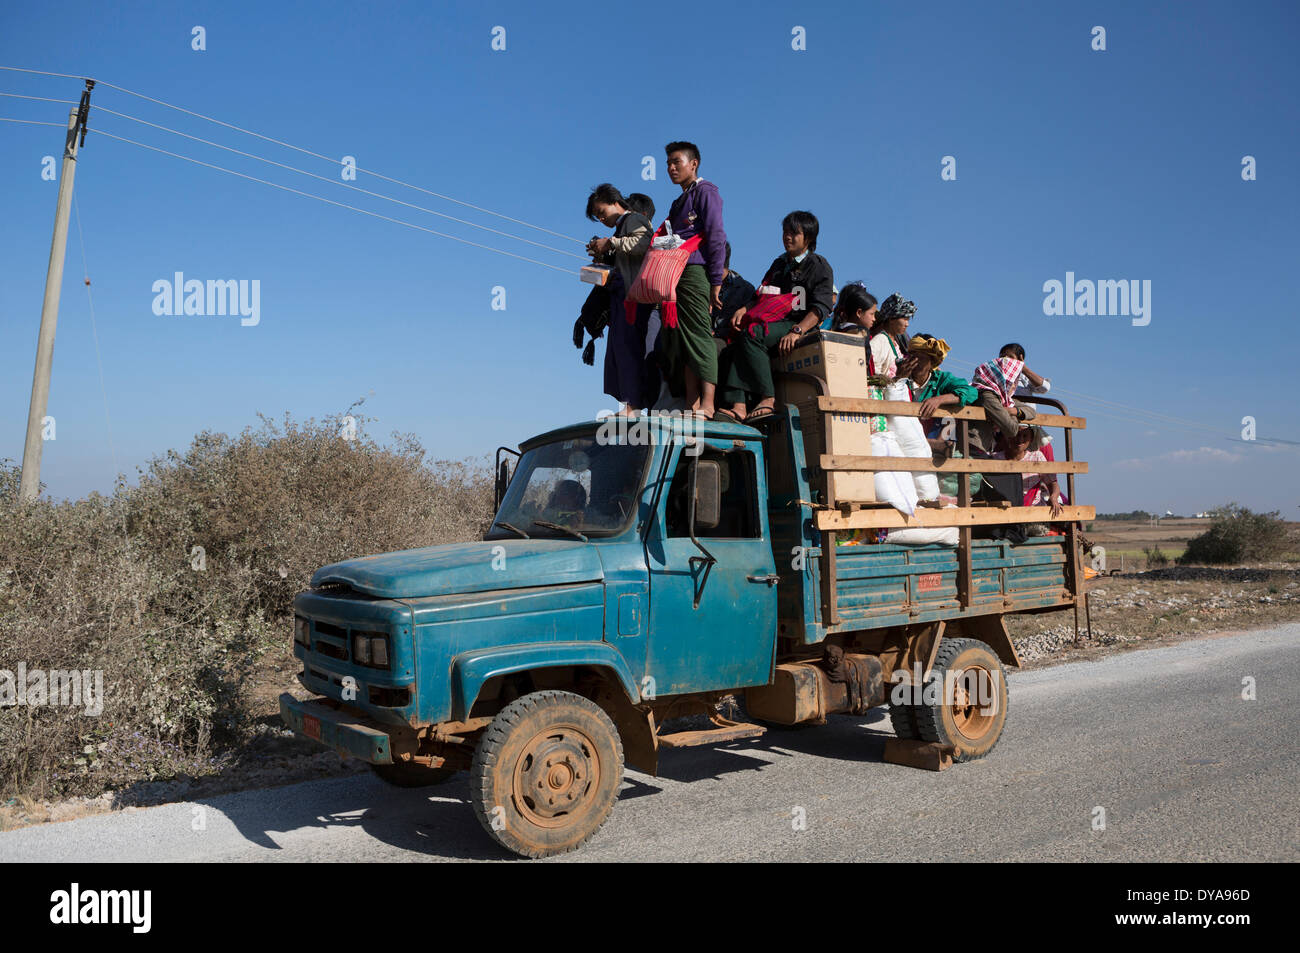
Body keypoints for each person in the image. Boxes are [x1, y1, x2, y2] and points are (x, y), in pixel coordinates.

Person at [715, 211, 834, 423]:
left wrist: (797, 331)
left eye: (794, 233)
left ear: (808, 237)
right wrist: (744, 309)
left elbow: (821, 307)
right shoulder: (779, 264)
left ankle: (768, 399)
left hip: (798, 324)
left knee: (753, 334)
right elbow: (761, 293)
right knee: (732, 346)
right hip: (774, 321)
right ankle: (739, 405)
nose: (787, 237)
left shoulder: (818, 265)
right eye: (785, 232)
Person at [660, 141, 727, 419]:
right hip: (674, 272)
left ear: (694, 163)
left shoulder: (706, 191)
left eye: (677, 162)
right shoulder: (678, 201)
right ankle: (692, 404)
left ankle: (708, 404)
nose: (671, 168)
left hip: (695, 272)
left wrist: (715, 281)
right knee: (682, 339)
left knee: (700, 335)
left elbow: (716, 236)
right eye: (667, 164)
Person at [585, 183, 655, 414]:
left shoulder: (633, 219)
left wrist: (611, 243)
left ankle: (633, 404)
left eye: (602, 213)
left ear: (615, 202)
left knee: (630, 350)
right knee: (620, 351)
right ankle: (629, 403)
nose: (602, 219)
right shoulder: (621, 226)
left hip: (633, 297)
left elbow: (645, 243)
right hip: (621, 297)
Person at [896, 334, 978, 429]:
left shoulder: (942, 379)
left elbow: (971, 392)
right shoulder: (902, 377)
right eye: (913, 357)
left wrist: (939, 400)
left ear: (932, 363)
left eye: (922, 358)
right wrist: (899, 379)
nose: (916, 362)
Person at [870, 293, 914, 379]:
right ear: (891, 319)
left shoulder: (895, 344)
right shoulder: (880, 340)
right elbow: (870, 368)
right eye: (905, 319)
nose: (907, 324)